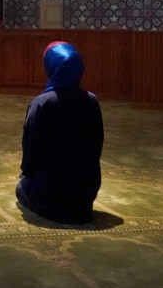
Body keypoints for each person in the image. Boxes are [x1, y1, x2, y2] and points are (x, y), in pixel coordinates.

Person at [16, 41, 104, 224]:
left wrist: (27, 173)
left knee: (21, 187)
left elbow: (31, 151)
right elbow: (97, 146)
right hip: (84, 195)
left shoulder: (41, 104)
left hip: (50, 195)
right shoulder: (91, 101)